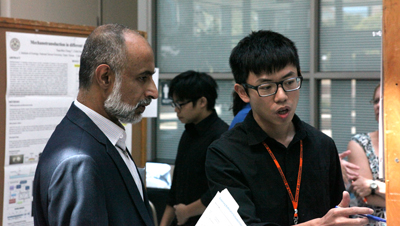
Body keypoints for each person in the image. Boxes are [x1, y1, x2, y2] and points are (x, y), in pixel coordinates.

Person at [205, 30, 373, 226]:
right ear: (243, 92)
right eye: (266, 87)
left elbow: (338, 215)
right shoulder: (224, 153)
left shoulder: (322, 145)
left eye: (289, 82)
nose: (282, 96)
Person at [33, 24, 158, 226]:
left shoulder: (104, 138)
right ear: (105, 77)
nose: (154, 92)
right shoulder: (78, 162)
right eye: (143, 78)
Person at [159, 70, 229, 226]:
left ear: (202, 102)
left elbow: (222, 191)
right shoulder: (188, 133)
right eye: (174, 104)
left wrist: (187, 211)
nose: (176, 109)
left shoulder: (222, 137)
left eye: (181, 104)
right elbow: (175, 188)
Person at [347, 84, 386, 223]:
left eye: (385, 99)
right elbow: (365, 195)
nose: (378, 105)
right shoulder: (360, 143)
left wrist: (374, 186)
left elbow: (368, 188)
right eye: (376, 101)